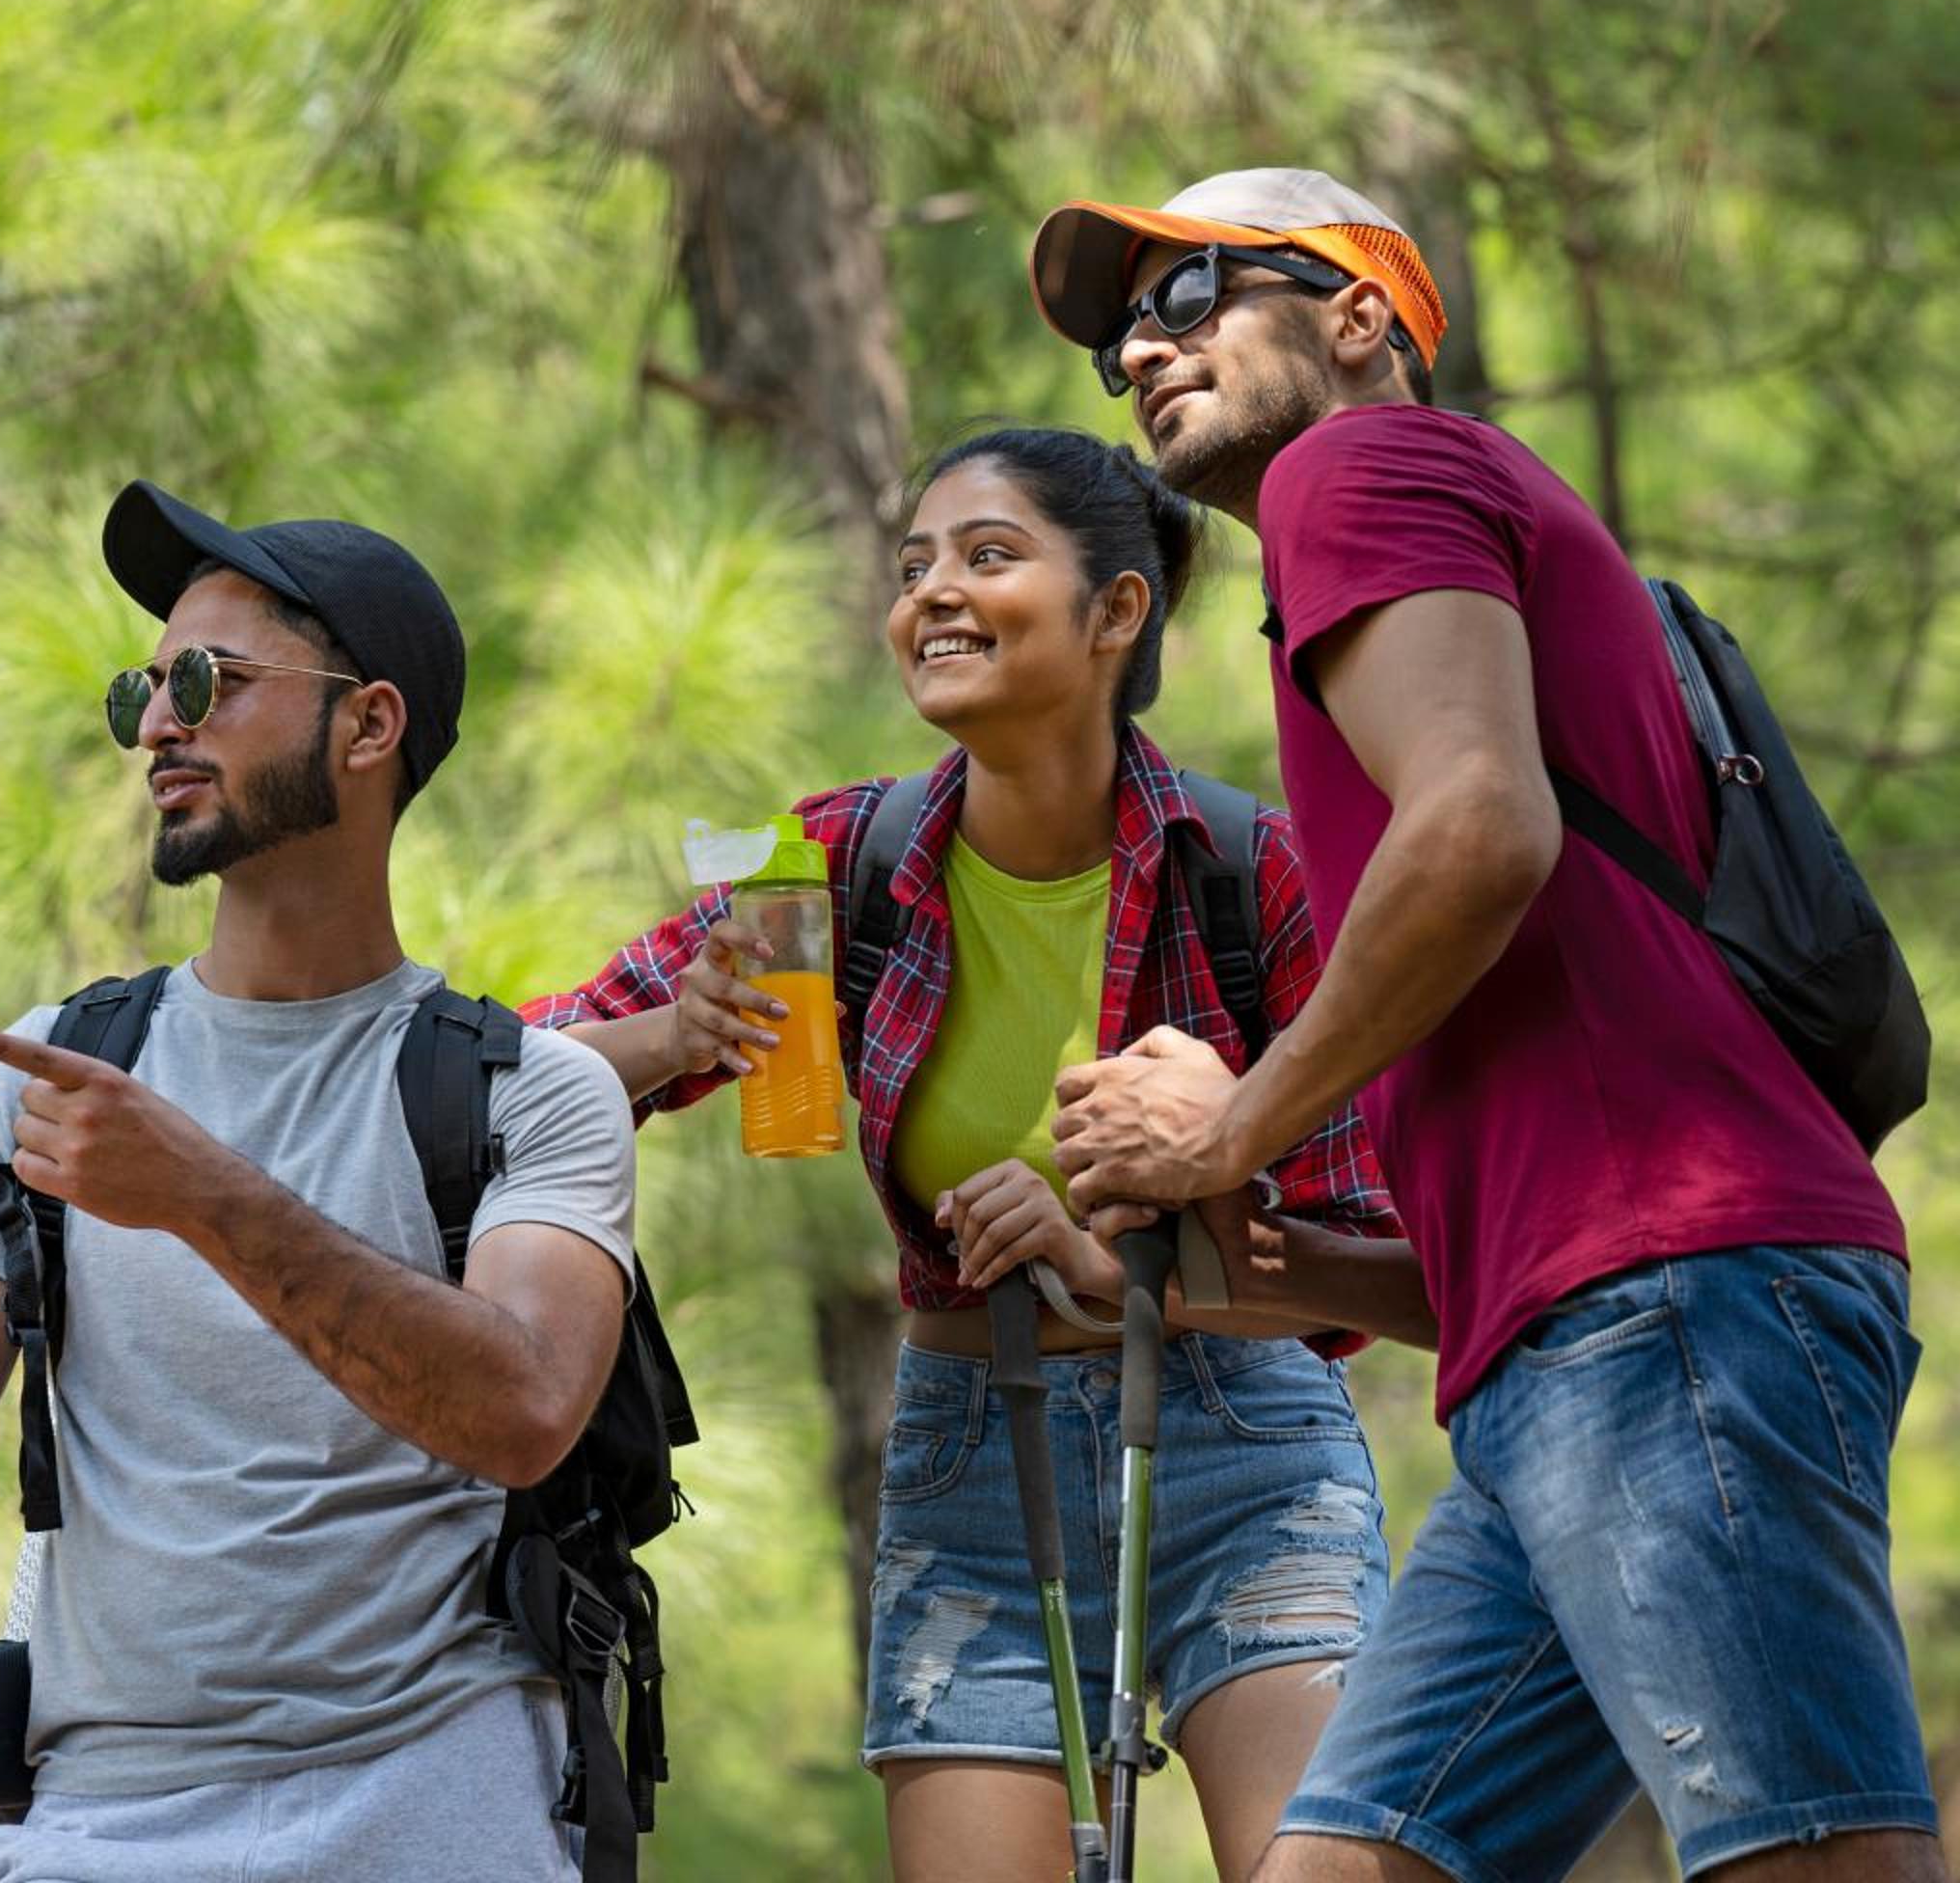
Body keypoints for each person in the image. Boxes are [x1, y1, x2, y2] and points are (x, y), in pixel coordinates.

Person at [1029, 170, 1944, 1883]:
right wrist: (1281, 1261)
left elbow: (1482, 829)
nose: (1145, 349)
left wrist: (1233, 1124)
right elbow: (1520, 1189)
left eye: (1194, 292)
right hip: (1579, 1347)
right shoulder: (1418, 532)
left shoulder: (1358, 469)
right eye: (1120, 336)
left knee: (1809, 1858)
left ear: (1361, 316)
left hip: (1662, 1313)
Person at [0, 482, 639, 1882]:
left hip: (435, 1815)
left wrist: (202, 1195)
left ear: (368, 725)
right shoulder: (48, 1076)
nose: (157, 725)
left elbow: (521, 1412)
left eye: (206, 682)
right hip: (97, 1823)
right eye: (141, 691)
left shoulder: (532, 1093)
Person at [530, 427, 1403, 1882]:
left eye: (988, 557)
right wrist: (678, 1032)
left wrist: (1113, 1266)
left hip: (1246, 1447)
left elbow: (1377, 1263)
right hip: (971, 1452)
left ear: (1116, 610)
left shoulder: (1252, 873)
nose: (931, 592)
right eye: (913, 564)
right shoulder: (840, 865)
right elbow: (516, 1071)